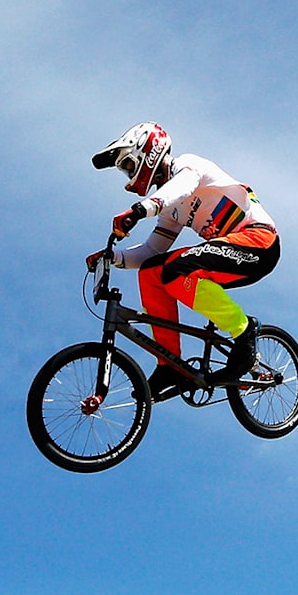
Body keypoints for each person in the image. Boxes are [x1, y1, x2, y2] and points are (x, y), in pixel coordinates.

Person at [88, 123, 278, 402]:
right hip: (227, 253)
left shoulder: (188, 166)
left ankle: (244, 329)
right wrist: (113, 257)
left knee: (176, 270)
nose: (129, 174)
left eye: (129, 165)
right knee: (152, 273)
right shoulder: (171, 211)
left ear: (148, 154)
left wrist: (141, 210)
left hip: (259, 242)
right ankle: (169, 365)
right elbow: (152, 250)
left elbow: (182, 187)